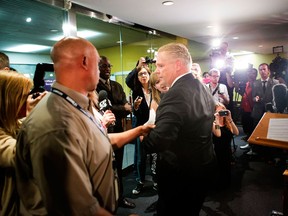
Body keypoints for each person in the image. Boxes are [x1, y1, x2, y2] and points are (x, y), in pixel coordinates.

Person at [15, 36, 153, 216]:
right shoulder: (57, 123)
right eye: (98, 65)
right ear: (85, 62)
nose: (104, 71)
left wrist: (140, 130)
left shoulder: (76, 105)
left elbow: (96, 142)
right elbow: (77, 208)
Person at [142, 42, 217, 216]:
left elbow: (159, 141)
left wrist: (145, 138)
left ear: (177, 65)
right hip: (202, 168)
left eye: (160, 65)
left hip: (180, 176)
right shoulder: (203, 88)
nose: (157, 71)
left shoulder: (176, 94)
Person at [0, 70, 46, 216]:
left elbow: (21, 129)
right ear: (10, 99)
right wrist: (33, 116)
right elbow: (19, 154)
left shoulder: (12, 123)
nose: (28, 99)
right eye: (24, 96)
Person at [96, 56, 135, 209]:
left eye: (109, 66)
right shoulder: (95, 87)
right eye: (104, 66)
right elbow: (107, 108)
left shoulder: (117, 85)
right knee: (104, 169)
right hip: (102, 132)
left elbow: (127, 107)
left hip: (118, 131)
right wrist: (122, 108)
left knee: (118, 166)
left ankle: (120, 197)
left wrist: (121, 109)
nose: (107, 69)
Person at [143, 72, 169, 214]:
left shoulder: (174, 95)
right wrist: (140, 131)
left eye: (163, 79)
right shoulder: (155, 101)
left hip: (173, 142)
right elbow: (151, 122)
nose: (162, 83)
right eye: (158, 82)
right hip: (160, 142)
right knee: (159, 175)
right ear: (154, 86)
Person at [130, 65, 152, 195]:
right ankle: (140, 182)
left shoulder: (155, 90)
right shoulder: (136, 92)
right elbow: (136, 113)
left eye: (145, 73)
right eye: (140, 74)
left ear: (149, 75)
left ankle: (156, 180)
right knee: (140, 158)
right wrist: (136, 107)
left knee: (155, 156)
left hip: (155, 127)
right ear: (137, 78)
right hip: (142, 127)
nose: (143, 76)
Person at [250, 63, 279, 158]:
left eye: (264, 69)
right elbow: (252, 98)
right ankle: (257, 151)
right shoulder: (255, 83)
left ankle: (271, 152)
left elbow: (278, 99)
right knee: (257, 131)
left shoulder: (275, 82)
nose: (262, 71)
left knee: (270, 132)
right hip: (258, 110)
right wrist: (255, 98)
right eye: (260, 70)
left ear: (268, 70)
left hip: (270, 112)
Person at [212, 102, 239, 188]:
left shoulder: (227, 122)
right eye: (219, 111)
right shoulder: (213, 124)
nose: (221, 113)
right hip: (218, 152)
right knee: (219, 170)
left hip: (227, 151)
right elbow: (218, 134)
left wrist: (230, 119)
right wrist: (216, 120)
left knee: (227, 170)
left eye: (223, 110)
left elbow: (236, 132)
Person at [210, 42, 235, 115]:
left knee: (228, 108)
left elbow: (230, 84)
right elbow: (209, 76)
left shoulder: (230, 58)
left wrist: (228, 68)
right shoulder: (215, 59)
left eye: (224, 48)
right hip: (215, 92)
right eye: (221, 48)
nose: (223, 50)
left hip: (227, 84)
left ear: (227, 49)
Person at [236, 68, 258, 149]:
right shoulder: (246, 83)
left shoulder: (257, 83)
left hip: (252, 109)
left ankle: (253, 146)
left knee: (252, 128)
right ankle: (249, 142)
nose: (250, 74)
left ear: (256, 74)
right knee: (246, 127)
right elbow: (242, 93)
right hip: (244, 108)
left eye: (253, 73)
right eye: (249, 72)